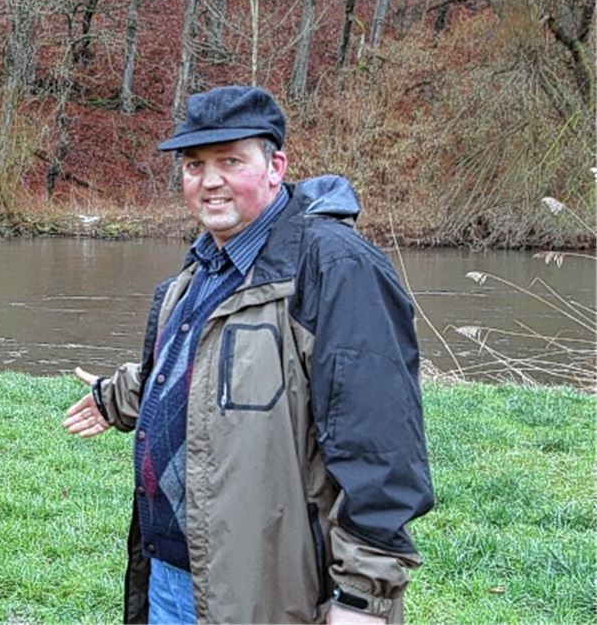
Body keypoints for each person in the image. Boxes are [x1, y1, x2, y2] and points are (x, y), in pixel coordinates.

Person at [62, 85, 433, 624]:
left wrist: (363, 599)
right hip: (171, 573)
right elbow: (199, 371)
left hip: (269, 592)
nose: (209, 180)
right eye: (194, 165)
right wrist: (117, 398)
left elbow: (381, 446)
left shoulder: (334, 267)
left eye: (230, 161)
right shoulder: (200, 271)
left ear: (275, 165)